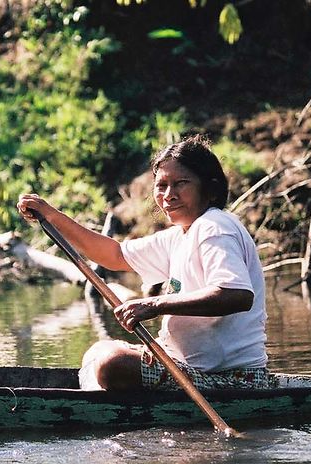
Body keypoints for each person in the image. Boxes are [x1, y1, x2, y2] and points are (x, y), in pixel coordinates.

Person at [17, 134, 271, 392]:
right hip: (183, 368)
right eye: (162, 186)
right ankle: (99, 403)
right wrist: (52, 216)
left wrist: (154, 305)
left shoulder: (214, 226)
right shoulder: (181, 234)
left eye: (181, 183)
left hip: (233, 380)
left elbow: (236, 295)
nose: (169, 195)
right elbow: (113, 255)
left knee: (112, 362)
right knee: (99, 351)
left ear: (211, 189)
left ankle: (99, 406)